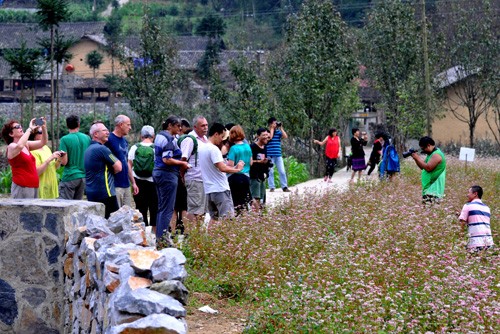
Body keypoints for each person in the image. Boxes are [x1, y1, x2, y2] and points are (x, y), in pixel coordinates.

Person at [199, 123, 244, 225]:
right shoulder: (213, 149)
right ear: (216, 134)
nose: (222, 139)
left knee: (214, 219)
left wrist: (233, 167)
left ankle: (210, 240)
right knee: (228, 220)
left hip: (209, 191)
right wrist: (237, 170)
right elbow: (222, 167)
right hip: (220, 190)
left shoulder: (202, 148)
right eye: (221, 136)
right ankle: (227, 241)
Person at [153, 116, 190, 240]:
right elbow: (167, 159)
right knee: (167, 209)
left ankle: (159, 237)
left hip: (158, 173)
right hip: (167, 174)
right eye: (177, 125)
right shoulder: (169, 138)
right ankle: (162, 239)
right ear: (170, 125)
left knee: (161, 208)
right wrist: (182, 163)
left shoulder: (159, 135)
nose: (180, 128)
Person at [1, 118, 48, 198]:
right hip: (22, 187)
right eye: (17, 127)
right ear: (11, 134)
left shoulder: (26, 145)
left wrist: (43, 127)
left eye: (20, 126)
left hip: (33, 186)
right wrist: (29, 129)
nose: (20, 127)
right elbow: (19, 146)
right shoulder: (11, 147)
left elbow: (43, 142)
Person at [84, 122, 122, 218]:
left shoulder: (88, 149)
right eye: (104, 130)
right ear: (96, 134)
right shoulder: (102, 149)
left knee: (97, 225)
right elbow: (118, 166)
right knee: (113, 224)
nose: (108, 132)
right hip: (106, 193)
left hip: (91, 193)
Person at [128, 125, 158, 234]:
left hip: (138, 182)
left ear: (141, 136)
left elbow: (129, 165)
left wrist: (133, 183)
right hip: (153, 183)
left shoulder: (134, 147)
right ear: (153, 136)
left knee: (141, 209)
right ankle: (155, 236)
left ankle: (142, 236)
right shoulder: (156, 148)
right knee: (154, 209)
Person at [180, 115, 209, 226]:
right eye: (202, 126)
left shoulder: (205, 139)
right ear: (195, 127)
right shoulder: (190, 140)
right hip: (194, 178)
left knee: (202, 209)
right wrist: (183, 177)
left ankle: (198, 234)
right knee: (194, 209)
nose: (205, 128)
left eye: (206, 125)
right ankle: (191, 234)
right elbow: (183, 160)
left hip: (203, 179)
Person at [105, 115, 138, 207]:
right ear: (121, 125)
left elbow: (126, 162)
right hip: (115, 184)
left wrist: (133, 182)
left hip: (126, 184)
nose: (130, 128)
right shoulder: (109, 140)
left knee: (128, 213)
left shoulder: (125, 141)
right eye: (128, 125)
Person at [58, 115, 91, 200]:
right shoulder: (87, 138)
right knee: (77, 207)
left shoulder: (64, 139)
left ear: (67, 125)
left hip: (70, 176)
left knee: (65, 207)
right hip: (83, 177)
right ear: (79, 124)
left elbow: (64, 162)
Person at [31, 127, 65, 199]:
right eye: (40, 132)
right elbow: (37, 172)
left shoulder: (46, 147)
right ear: (34, 135)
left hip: (51, 187)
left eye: (44, 131)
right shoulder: (33, 151)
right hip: (42, 187)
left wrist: (59, 159)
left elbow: (53, 168)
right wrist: (50, 158)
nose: (43, 133)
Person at [410, 136, 446, 204]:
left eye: (423, 148)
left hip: (434, 190)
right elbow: (422, 167)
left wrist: (418, 158)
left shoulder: (436, 155)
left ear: (428, 145)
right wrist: (415, 159)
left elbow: (428, 168)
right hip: (429, 189)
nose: (423, 151)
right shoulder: (431, 154)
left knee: (430, 210)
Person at [458, 185, 494, 252]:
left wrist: (460, 238)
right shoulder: (487, 208)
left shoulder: (467, 206)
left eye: (469, 192)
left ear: (475, 194)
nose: (467, 195)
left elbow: (462, 223)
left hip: (475, 242)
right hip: (489, 242)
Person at [227, 125, 253, 215]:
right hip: (246, 177)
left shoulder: (233, 148)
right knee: (245, 201)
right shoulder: (248, 147)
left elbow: (230, 166)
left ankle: (237, 220)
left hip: (235, 178)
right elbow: (251, 162)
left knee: (236, 203)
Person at [266, 117, 290, 192]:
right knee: (270, 171)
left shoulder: (278, 132)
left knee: (282, 171)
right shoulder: (267, 132)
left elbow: (285, 136)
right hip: (270, 154)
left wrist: (281, 128)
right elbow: (270, 137)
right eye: (274, 123)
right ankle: (272, 187)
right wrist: (272, 129)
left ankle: (284, 186)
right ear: (270, 124)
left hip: (278, 154)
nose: (275, 124)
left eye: (276, 123)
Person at [250, 128, 271, 211]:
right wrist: (259, 161)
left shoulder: (264, 147)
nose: (266, 137)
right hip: (254, 175)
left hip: (262, 176)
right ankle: (256, 217)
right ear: (258, 136)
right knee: (256, 198)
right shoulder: (252, 147)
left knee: (262, 199)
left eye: (267, 135)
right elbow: (250, 161)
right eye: (263, 135)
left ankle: (260, 216)